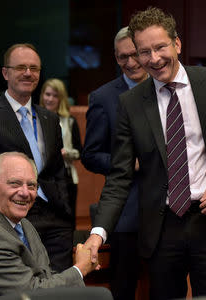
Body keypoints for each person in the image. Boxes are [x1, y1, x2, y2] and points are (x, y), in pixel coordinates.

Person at [84, 7, 206, 300]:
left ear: (177, 44)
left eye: (160, 47)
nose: (154, 58)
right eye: (144, 52)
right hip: (161, 229)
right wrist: (97, 233)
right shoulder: (131, 103)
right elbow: (120, 176)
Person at [0, 43, 74, 272]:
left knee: (61, 289)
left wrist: (64, 206)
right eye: (20, 67)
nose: (28, 73)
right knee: (23, 290)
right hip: (9, 219)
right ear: (5, 73)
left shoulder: (50, 119)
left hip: (55, 220)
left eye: (34, 68)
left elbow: (57, 170)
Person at [0, 152, 96, 300]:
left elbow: (45, 276)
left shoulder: (23, 224)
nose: (25, 193)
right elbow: (31, 294)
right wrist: (81, 267)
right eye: (15, 183)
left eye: (31, 185)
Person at [81, 26, 147, 300]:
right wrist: (125, 163)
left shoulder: (168, 89)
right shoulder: (103, 98)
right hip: (127, 213)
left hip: (170, 211)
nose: (130, 63)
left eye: (135, 55)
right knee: (124, 289)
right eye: (122, 57)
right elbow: (90, 155)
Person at [40, 78, 82, 226]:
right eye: (47, 94)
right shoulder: (34, 118)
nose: (50, 99)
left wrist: (66, 152)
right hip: (40, 177)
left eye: (55, 95)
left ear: (61, 98)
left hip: (66, 176)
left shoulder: (69, 121)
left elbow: (80, 152)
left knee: (67, 220)